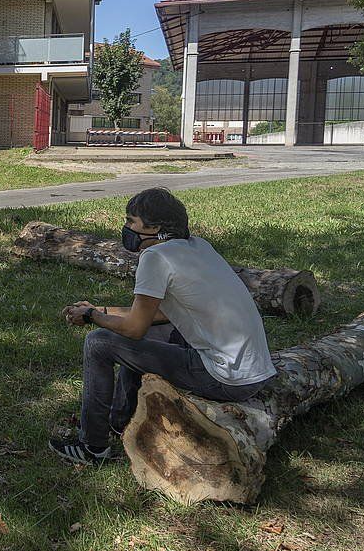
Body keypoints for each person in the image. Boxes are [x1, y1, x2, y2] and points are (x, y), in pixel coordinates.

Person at [50, 187, 276, 465]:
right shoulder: (199, 246)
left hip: (225, 378)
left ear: (154, 227)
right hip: (255, 372)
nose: (126, 227)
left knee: (99, 342)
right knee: (140, 337)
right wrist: (100, 310)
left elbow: (134, 328)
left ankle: (92, 447)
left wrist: (91, 318)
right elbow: (155, 316)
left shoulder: (155, 258)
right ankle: (121, 421)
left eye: (131, 221)